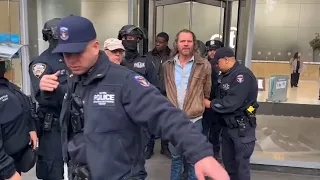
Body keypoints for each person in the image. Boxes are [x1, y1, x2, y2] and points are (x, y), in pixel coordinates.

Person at [54, 15, 229, 180]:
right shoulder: (73, 82)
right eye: (66, 54)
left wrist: (200, 152)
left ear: (94, 47)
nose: (71, 60)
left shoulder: (123, 81)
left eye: (77, 52)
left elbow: (164, 114)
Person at [162, 29, 211, 180]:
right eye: (182, 41)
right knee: (176, 159)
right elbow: (164, 90)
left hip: (194, 120)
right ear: (176, 44)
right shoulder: (167, 66)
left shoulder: (204, 65)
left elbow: (207, 91)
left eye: (189, 41)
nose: (186, 44)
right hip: (174, 120)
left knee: (193, 161)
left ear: (194, 44)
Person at [204, 47, 258, 180]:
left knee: (241, 168)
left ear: (226, 60)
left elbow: (232, 103)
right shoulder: (226, 75)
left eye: (218, 63)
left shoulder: (242, 76)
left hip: (242, 129)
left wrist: (210, 104)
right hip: (227, 127)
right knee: (230, 166)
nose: (217, 66)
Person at [118, 24, 162, 179]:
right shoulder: (114, 60)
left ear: (138, 40)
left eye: (134, 38)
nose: (130, 41)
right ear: (121, 39)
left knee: (137, 164)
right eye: (127, 38)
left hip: (139, 119)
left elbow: (156, 89)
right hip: (116, 118)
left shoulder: (147, 61)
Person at [28, 18, 68, 180]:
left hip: (76, 122)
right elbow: (44, 96)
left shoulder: (73, 58)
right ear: (49, 37)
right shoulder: (41, 63)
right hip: (54, 126)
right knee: (54, 170)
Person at [0, 60, 38, 180]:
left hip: (16, 159)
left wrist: (31, 127)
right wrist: (8, 172)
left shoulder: (8, 86)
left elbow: (24, 107)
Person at [145, 32, 172, 159]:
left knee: (166, 122)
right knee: (150, 122)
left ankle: (164, 147)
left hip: (167, 94)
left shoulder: (172, 56)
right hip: (152, 93)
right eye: (156, 41)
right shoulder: (149, 56)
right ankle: (149, 147)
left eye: (160, 42)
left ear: (166, 43)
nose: (157, 44)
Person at [203, 39, 224, 161]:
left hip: (219, 102)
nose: (212, 52)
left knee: (217, 130)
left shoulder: (223, 65)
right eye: (210, 50)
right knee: (205, 130)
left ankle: (216, 151)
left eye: (214, 50)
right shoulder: (204, 65)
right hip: (206, 102)